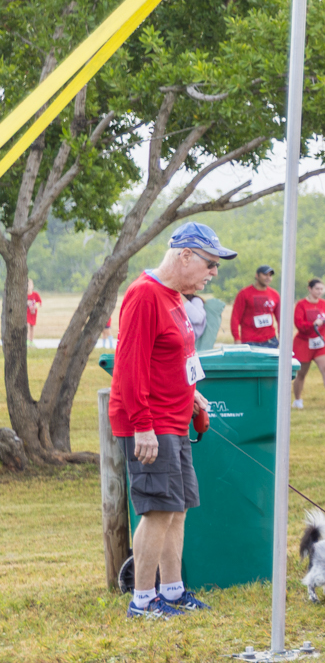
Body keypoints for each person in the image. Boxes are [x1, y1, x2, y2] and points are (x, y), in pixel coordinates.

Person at [111, 222, 236, 618]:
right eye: (210, 264)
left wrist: (191, 392)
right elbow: (129, 366)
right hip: (152, 421)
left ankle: (172, 590)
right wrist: (142, 425)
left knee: (177, 508)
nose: (213, 273)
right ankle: (143, 601)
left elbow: (175, 355)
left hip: (175, 416)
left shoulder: (175, 297)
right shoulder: (145, 295)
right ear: (185, 256)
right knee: (158, 509)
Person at [290, 278, 325, 408]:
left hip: (320, 343)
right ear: (310, 289)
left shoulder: (324, 304)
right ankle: (297, 400)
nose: (319, 291)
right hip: (304, 343)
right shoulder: (301, 305)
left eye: (321, 289)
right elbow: (299, 324)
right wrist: (312, 324)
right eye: (316, 289)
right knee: (301, 374)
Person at [228, 264, 281, 347]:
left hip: (270, 340)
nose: (268, 278)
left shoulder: (275, 294)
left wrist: (281, 336)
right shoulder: (244, 293)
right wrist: (237, 338)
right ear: (257, 275)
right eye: (265, 275)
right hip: (250, 341)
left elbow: (280, 318)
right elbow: (235, 317)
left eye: (270, 275)